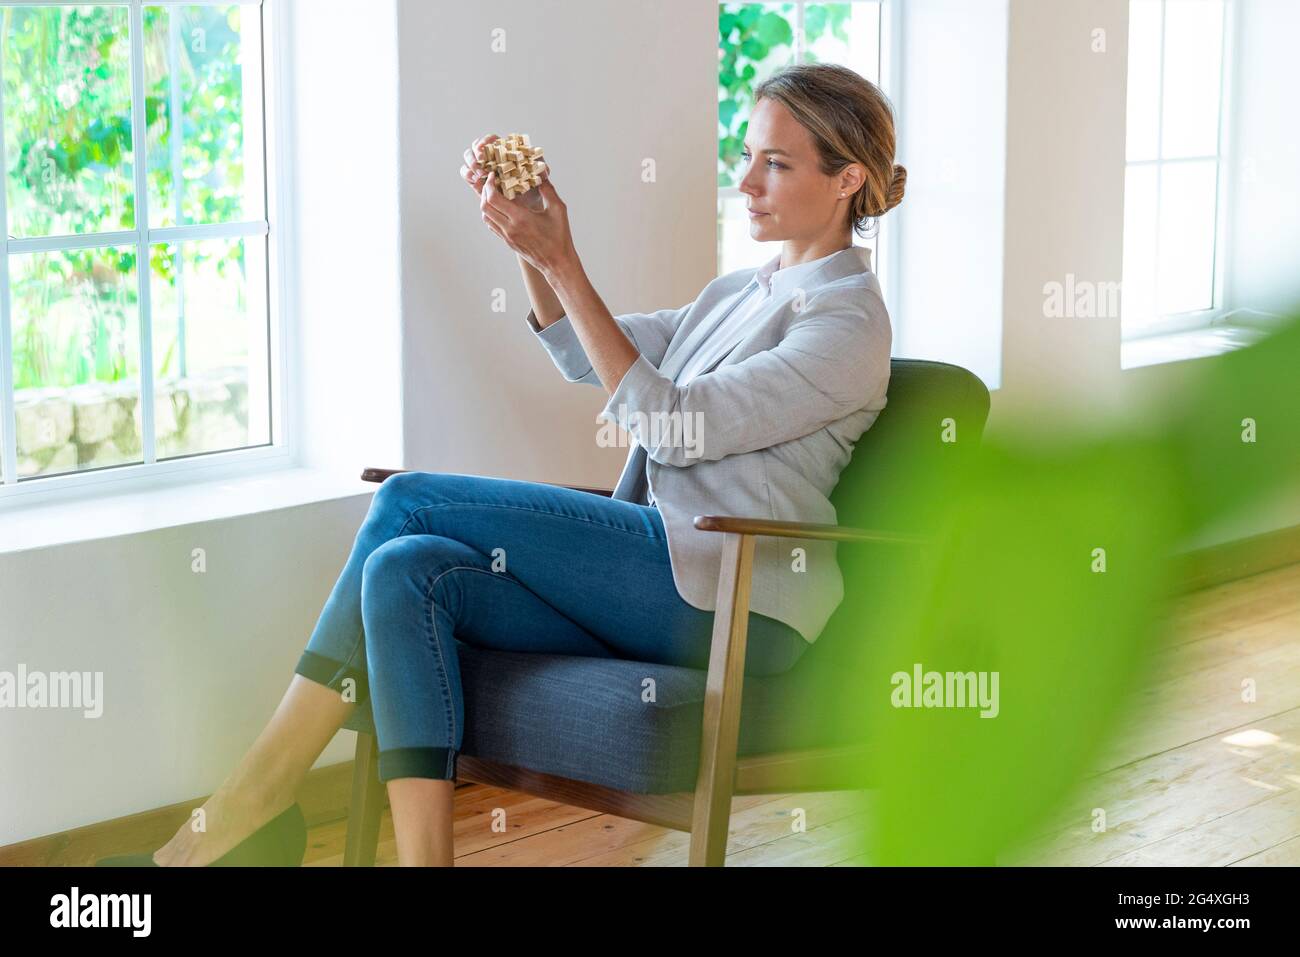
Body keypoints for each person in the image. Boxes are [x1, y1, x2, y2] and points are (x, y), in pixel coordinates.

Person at [126, 62, 905, 867]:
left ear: (849, 178)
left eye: (774, 163)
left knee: (410, 499)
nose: (746, 181)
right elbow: (585, 354)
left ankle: (248, 806)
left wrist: (563, 257)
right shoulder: (740, 292)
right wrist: (532, 239)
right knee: (405, 568)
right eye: (747, 156)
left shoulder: (847, 323)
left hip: (735, 597)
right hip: (663, 566)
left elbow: (670, 424)